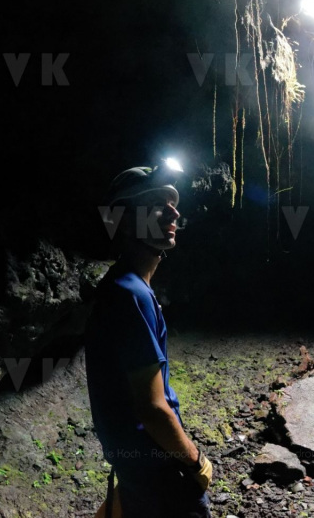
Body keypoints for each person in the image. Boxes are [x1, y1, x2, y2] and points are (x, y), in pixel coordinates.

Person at [86, 160, 213, 518]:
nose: (173, 209)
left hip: (136, 465)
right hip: (157, 469)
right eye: (156, 203)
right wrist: (195, 459)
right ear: (125, 220)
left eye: (173, 201)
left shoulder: (121, 284)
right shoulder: (131, 295)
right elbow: (152, 408)